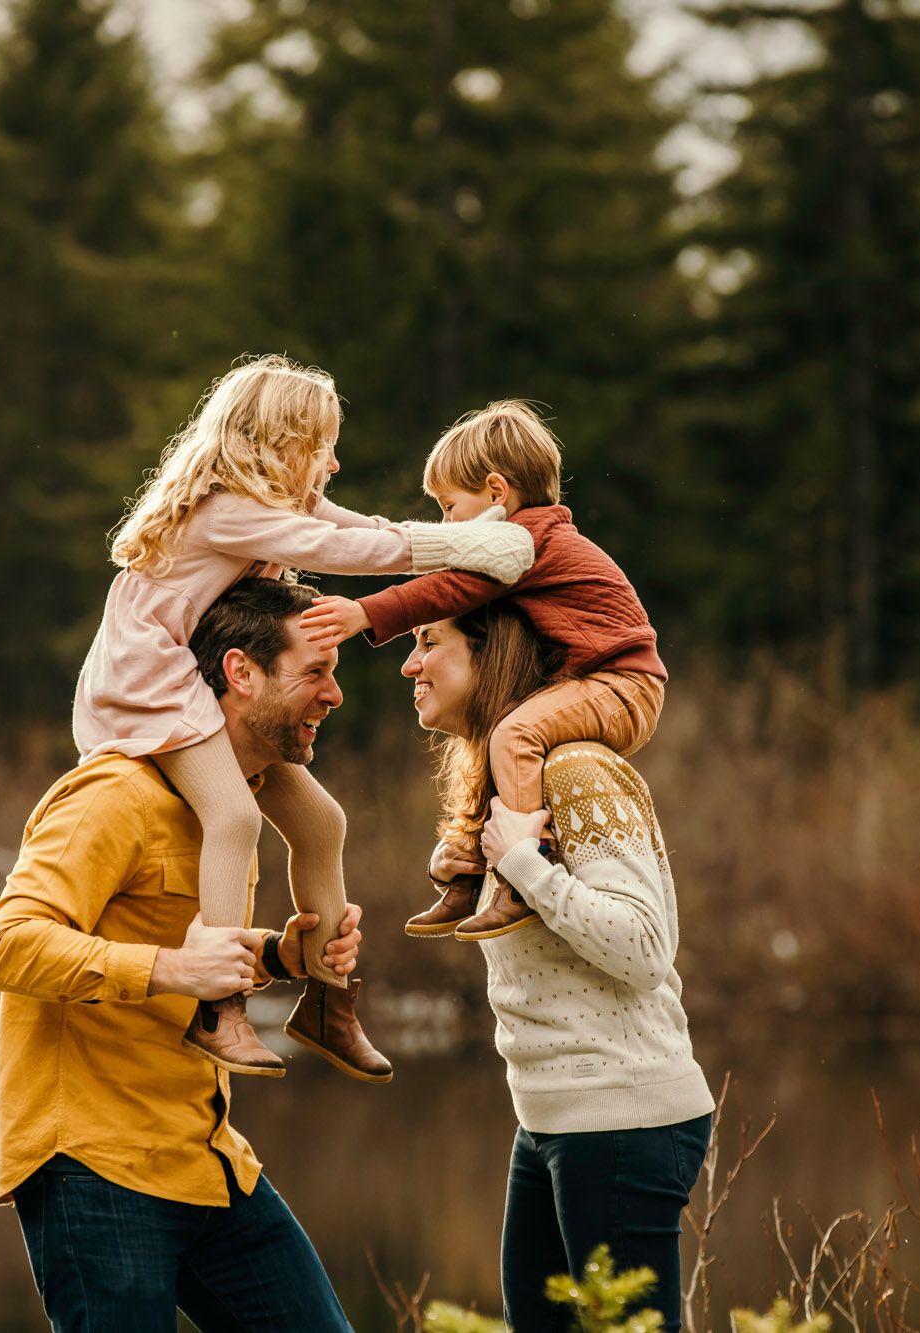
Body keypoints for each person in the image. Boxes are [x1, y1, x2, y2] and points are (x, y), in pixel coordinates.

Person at [75, 356, 534, 1072]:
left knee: (323, 822)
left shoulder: (278, 509)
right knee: (232, 817)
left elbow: (369, 530)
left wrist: (477, 540)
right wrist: (474, 546)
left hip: (195, 673)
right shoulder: (228, 509)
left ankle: (326, 1001)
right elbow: (343, 551)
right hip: (150, 676)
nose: (335, 461)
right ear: (279, 444)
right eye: (322, 447)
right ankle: (218, 1008)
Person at [0, 577, 388, 1333]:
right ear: (241, 672)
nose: (334, 696)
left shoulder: (244, 799)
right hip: (93, 1164)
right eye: (315, 673)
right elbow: (5, 945)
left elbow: (193, 944)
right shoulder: (115, 791)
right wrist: (171, 970)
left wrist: (278, 955)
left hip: (207, 1159)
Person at [399, 600, 714, 1333]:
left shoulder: (577, 772)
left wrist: (517, 864)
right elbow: (553, 926)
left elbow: (642, 948)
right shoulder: (514, 781)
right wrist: (475, 868)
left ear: (492, 653)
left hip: (621, 1113)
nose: (410, 665)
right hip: (549, 1117)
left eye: (427, 642)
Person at [301, 400, 666, 941]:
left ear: (497, 494)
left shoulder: (520, 543)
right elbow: (413, 542)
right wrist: (324, 512)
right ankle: (466, 877)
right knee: (504, 738)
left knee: (515, 733)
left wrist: (365, 612)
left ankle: (515, 885)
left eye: (449, 508)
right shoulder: (520, 543)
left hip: (622, 684)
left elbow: (449, 585)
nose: (445, 526)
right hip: (599, 680)